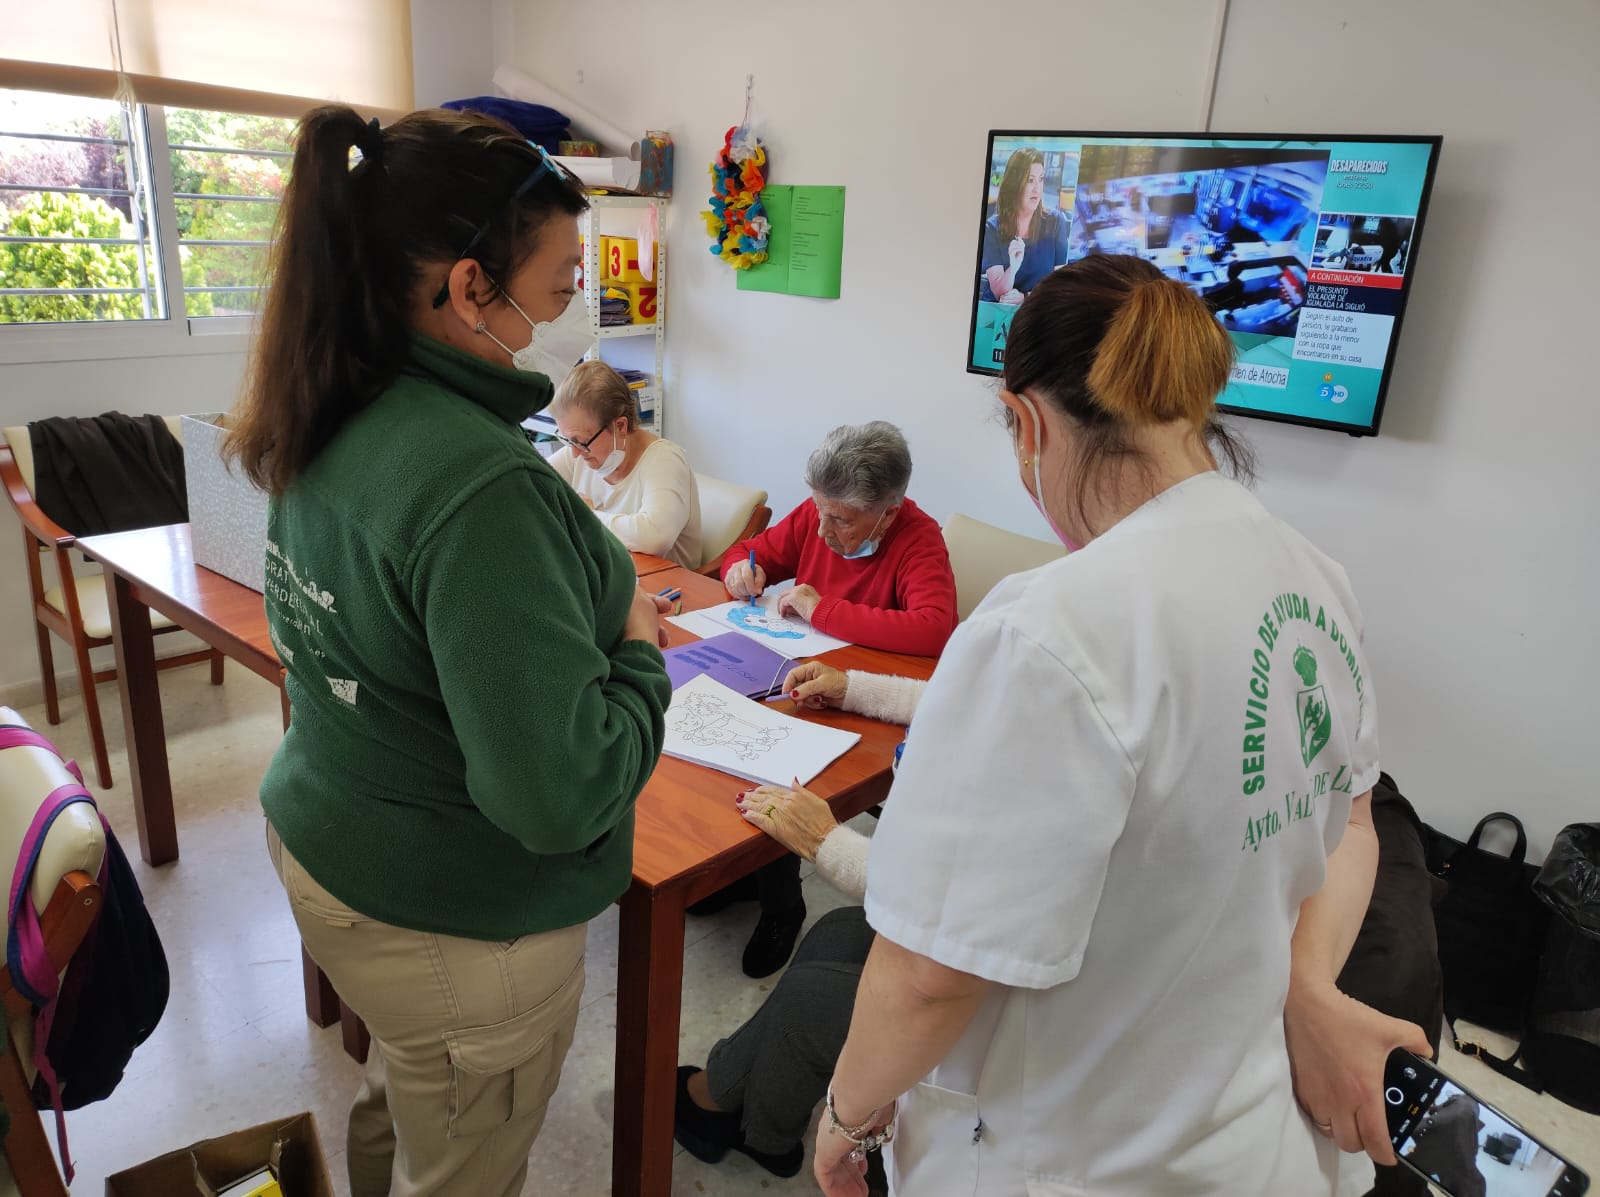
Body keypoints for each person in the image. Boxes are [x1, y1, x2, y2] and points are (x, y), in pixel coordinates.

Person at [809, 254, 1432, 1197]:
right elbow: (1349, 821)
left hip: (1065, 1154)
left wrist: (846, 1118)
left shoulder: (1047, 628)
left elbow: (930, 974)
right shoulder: (1313, 576)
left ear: (1026, 423)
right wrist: (1306, 986)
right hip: (1256, 1144)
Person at [226, 106, 672, 1197]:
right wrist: (640, 656)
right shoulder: (479, 486)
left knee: (413, 1082)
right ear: (473, 285)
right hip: (452, 916)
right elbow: (557, 798)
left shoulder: (332, 404)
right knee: (461, 1150)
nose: (577, 298)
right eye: (565, 276)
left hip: (332, 841)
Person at [709, 420, 956, 980]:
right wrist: (740, 572)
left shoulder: (918, 538)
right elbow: (752, 551)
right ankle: (743, 875)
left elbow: (934, 629)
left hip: (870, 705)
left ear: (888, 511)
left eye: (841, 519)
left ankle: (781, 903)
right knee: (733, 735)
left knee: (783, 764)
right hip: (802, 675)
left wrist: (821, 610)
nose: (821, 530)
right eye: (820, 510)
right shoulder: (818, 512)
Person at [674, 664, 920, 1189]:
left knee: (810, 1003)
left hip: (1019, 1005)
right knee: (839, 932)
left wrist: (826, 844)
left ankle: (757, 1131)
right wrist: (854, 687)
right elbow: (947, 700)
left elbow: (950, 900)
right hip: (975, 942)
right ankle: (738, 1105)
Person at [548, 359, 703, 567]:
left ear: (620, 426)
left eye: (581, 442)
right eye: (568, 441)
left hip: (669, 589)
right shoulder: (579, 452)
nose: (574, 453)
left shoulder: (664, 460)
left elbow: (654, 537)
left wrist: (586, 517)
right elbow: (529, 486)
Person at [980, 147, 1071, 305]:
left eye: (1041, 179)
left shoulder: (1055, 222)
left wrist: (1026, 297)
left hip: (1035, 311)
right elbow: (999, 294)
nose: (1037, 188)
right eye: (1030, 180)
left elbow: (1061, 285)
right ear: (1015, 185)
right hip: (998, 314)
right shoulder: (993, 227)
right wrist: (1013, 267)